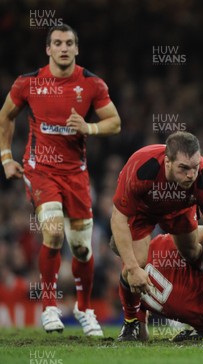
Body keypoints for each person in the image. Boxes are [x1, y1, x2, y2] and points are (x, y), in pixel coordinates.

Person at [0, 24, 121, 336]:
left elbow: (115, 122)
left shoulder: (91, 84)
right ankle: (49, 307)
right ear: (48, 49)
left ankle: (83, 308)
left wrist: (89, 128)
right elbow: (6, 116)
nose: (64, 47)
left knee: (82, 250)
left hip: (76, 175)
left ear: (76, 49)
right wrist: (5, 159)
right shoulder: (28, 83)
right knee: (53, 233)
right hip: (40, 171)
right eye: (57, 43)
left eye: (69, 43)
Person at [110, 131, 203, 341]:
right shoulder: (141, 167)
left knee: (191, 253)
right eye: (183, 168)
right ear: (167, 162)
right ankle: (131, 323)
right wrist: (133, 267)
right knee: (135, 264)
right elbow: (118, 219)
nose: (191, 175)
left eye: (195, 167)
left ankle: (193, 238)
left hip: (180, 210)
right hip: (143, 211)